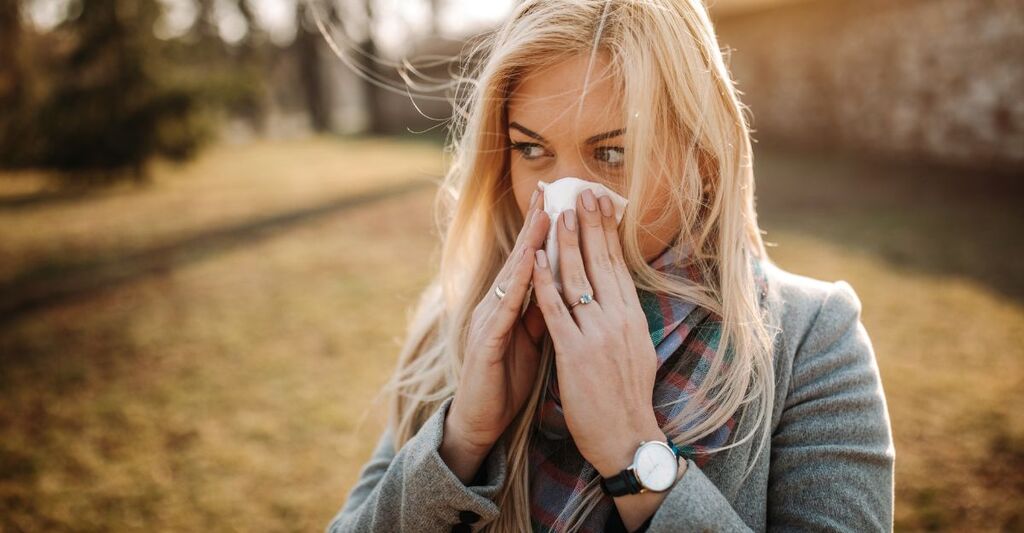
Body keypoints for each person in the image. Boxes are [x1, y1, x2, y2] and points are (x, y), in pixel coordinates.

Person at [325, 0, 895, 532]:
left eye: (613, 153)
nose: (565, 198)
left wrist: (632, 452)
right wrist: (461, 440)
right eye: (531, 150)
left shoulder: (813, 342)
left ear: (702, 155)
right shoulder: (463, 321)